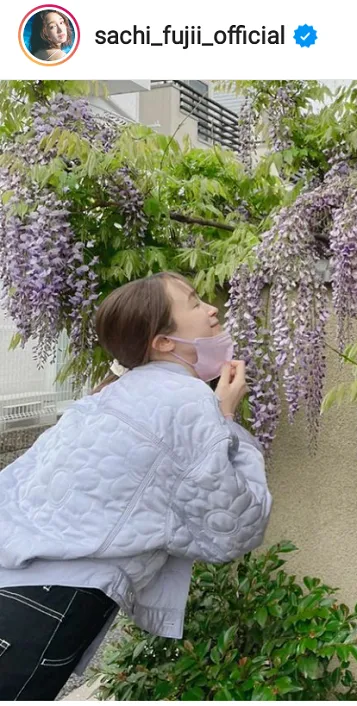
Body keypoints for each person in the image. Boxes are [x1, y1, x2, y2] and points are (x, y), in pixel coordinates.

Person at [0, 271, 272, 700]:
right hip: (54, 595)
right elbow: (235, 529)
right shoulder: (187, 402)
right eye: (197, 302)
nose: (213, 309)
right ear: (163, 342)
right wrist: (226, 420)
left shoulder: (106, 395)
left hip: (14, 575)